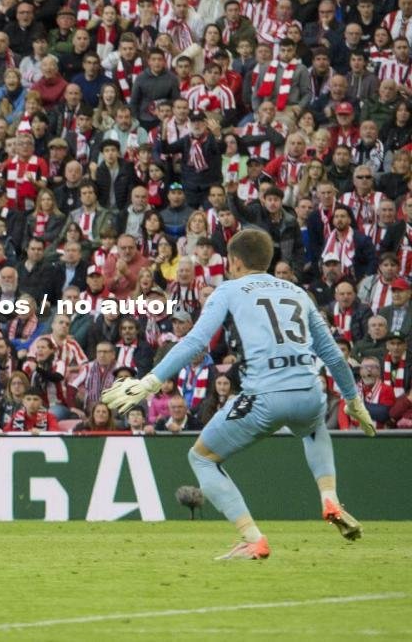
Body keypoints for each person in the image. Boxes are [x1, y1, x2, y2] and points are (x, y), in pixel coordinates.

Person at [104, 229, 374, 560]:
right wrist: (353, 400)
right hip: (309, 392)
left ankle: (253, 538)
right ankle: (329, 495)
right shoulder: (297, 292)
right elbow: (333, 355)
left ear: (233, 261)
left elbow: (194, 342)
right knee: (314, 427)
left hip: (265, 396)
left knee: (201, 457)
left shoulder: (229, 290)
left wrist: (149, 381)